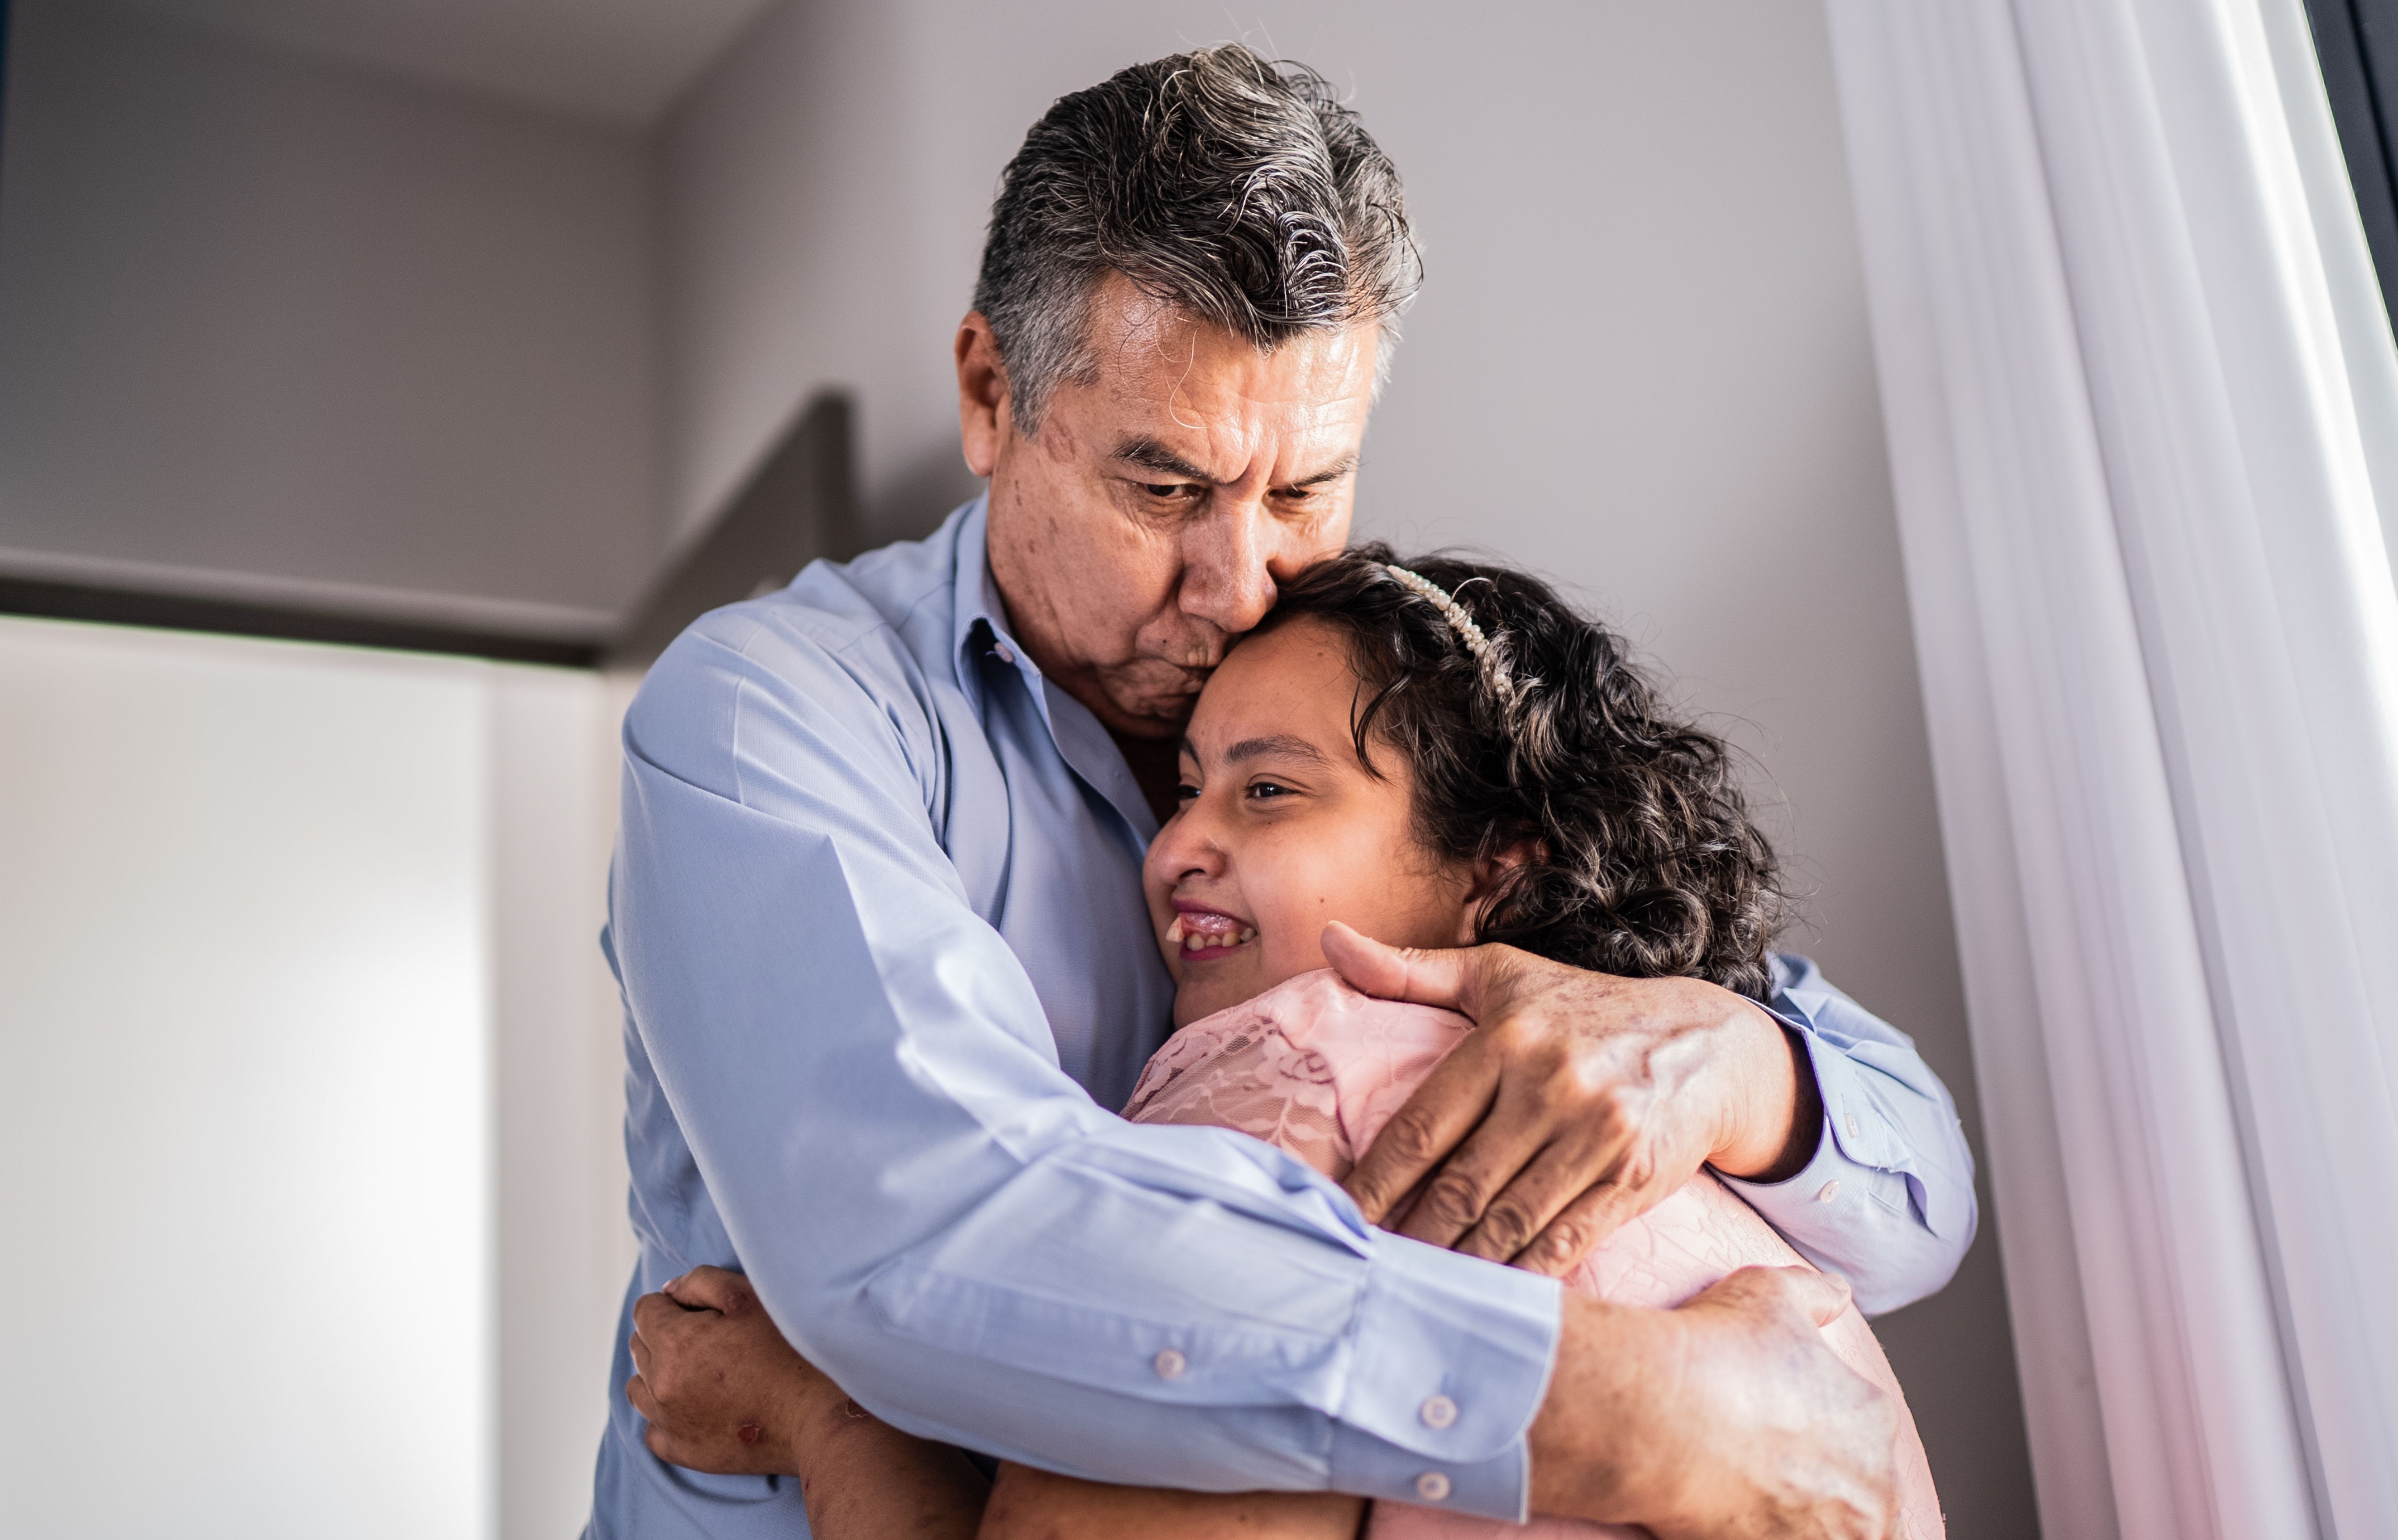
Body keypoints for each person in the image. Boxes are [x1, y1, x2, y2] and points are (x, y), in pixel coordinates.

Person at [597, 46, 1975, 1539]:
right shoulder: (769, 718)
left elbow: (1919, 1197)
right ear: (993, 396)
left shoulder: (1389, 707)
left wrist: (1727, 1065)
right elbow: (941, 1233)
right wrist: (1623, 1412)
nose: (1239, 580)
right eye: (1167, 491)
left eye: (1304, 493)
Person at [614, 545, 1948, 1540]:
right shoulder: (1666, 1118)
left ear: (1494, 874)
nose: (1180, 844)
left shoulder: (1298, 1074)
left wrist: (822, 1415)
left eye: (1268, 793)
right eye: (1189, 790)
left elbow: (1917, 1178)